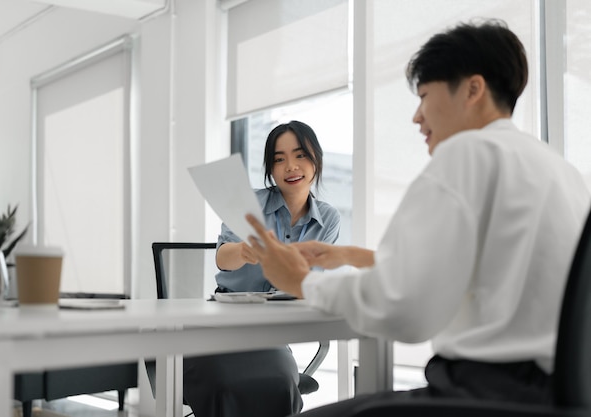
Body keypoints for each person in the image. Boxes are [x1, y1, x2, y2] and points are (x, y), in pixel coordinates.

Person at [245, 19, 591, 416]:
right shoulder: (557, 169)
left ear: (473, 89)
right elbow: (493, 270)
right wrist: (355, 258)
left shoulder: (465, 154)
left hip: (484, 396)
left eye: (424, 95)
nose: (416, 117)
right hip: (556, 397)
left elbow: (404, 310)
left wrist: (302, 283)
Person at [183, 120, 341, 417]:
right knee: (225, 383)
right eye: (279, 159)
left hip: (270, 333)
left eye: (300, 155)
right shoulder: (249, 203)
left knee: (280, 382)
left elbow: (307, 283)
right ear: (270, 169)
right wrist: (244, 250)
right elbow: (223, 257)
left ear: (316, 160)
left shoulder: (328, 219)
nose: (290, 166)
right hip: (222, 324)